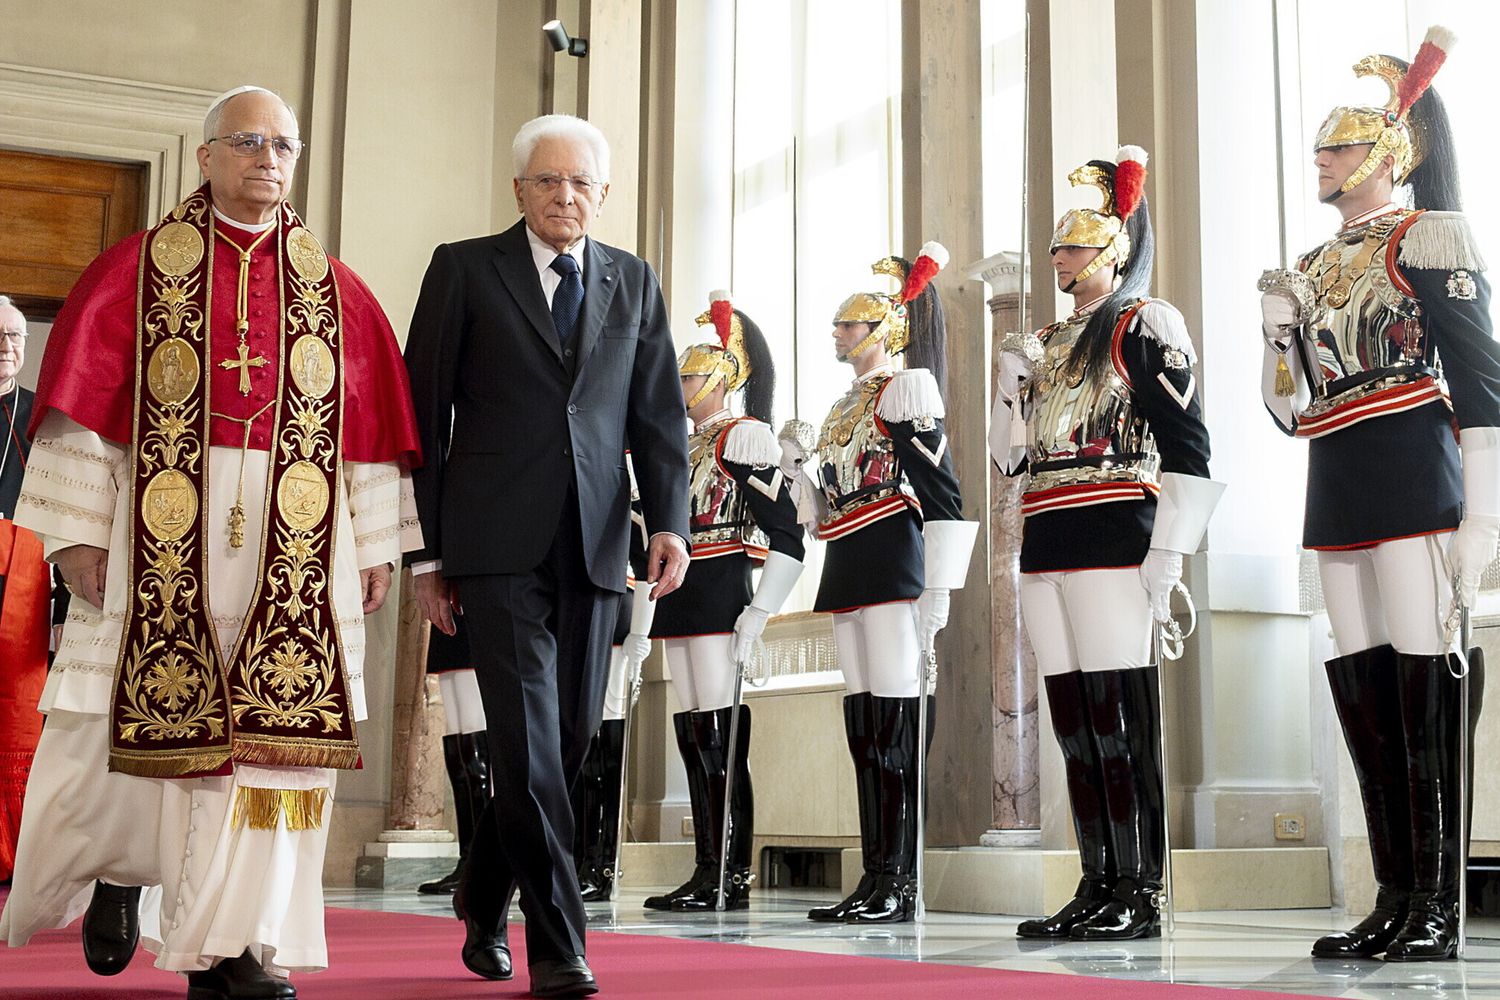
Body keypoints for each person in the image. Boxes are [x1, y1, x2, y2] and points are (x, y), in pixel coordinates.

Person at [0, 86, 422, 1000]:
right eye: (248, 142)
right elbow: (80, 421)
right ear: (205, 157)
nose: (269, 159)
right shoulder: (135, 271)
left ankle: (232, 946)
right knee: (119, 734)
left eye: (285, 145)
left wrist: (375, 545)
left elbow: (368, 431)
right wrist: (75, 536)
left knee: (269, 754)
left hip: (294, 549)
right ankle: (123, 872)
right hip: (155, 540)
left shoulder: (337, 290)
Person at [404, 113, 690, 999]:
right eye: (549, 182)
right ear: (519, 188)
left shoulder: (633, 282)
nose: (565, 197)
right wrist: (426, 556)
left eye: (582, 185)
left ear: (601, 196)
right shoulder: (463, 268)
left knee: (563, 749)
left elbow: (657, 416)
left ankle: (484, 901)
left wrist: (671, 524)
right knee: (527, 744)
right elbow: (422, 418)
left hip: (598, 544)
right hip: (492, 547)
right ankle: (560, 944)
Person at [1258, 27, 1494, 962]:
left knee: (1421, 682)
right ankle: (1393, 893)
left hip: (1411, 467)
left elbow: (1482, 381)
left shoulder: (1429, 234)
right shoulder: (1310, 267)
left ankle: (1438, 899)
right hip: (1338, 474)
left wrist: (1484, 517)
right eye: (1321, 146)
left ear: (1389, 152)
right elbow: (1287, 410)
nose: (1322, 157)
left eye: (1340, 144)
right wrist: (1277, 341)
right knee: (1363, 689)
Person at [992, 147, 1220, 941]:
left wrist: (1170, 550)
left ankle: (1141, 887)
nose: (1060, 257)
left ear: (1113, 249)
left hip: (1117, 522)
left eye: (1075, 245)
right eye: (1056, 246)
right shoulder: (1049, 341)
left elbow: (1189, 442)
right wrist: (1010, 390)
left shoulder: (1141, 322)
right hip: (1046, 533)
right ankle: (1096, 879)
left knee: (1122, 713)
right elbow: (1010, 458)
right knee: (1074, 719)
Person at [795, 244, 977, 924]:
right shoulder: (845, 404)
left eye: (851, 324)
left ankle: (900, 877)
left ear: (886, 331)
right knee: (864, 723)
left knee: (898, 718)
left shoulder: (907, 390)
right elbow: (827, 505)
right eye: (840, 325)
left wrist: (940, 586)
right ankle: (875, 873)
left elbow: (942, 491)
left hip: (895, 556)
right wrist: (798, 476)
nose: (839, 334)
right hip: (847, 557)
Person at [641, 291, 804, 913]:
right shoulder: (679, 444)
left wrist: (759, 610)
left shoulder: (744, 437)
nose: (679, 381)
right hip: (680, 594)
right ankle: (707, 863)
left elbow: (785, 531)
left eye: (689, 372)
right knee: (692, 732)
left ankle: (730, 871)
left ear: (722, 376)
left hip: (719, 590)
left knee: (718, 731)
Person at [0, 295, 64, 885]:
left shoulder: (36, 416)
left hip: (22, 585)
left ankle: (12, 858)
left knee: (17, 718)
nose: (6, 347)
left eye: (16, 337)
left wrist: (65, 607)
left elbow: (65, 511)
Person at [573, 460, 654, 903]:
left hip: (616, 619)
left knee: (604, 745)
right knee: (577, 743)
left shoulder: (628, 488)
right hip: (577, 617)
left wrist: (641, 632)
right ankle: (576, 856)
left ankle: (601, 862)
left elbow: (647, 568)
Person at [416, 617, 490, 896]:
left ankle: (484, 863)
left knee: (475, 733)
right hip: (451, 610)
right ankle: (469, 859)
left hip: (485, 607)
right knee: (458, 737)